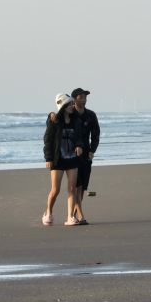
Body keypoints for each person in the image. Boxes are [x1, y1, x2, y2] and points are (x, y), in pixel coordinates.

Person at [50, 88, 100, 225]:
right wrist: (52, 114)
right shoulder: (70, 115)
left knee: (82, 186)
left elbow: (96, 134)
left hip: (86, 155)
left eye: (85, 97)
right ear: (73, 100)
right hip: (71, 155)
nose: (83, 99)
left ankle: (74, 214)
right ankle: (79, 215)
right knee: (75, 186)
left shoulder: (91, 115)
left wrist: (92, 150)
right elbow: (56, 120)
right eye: (80, 97)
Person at [42, 93, 84, 226]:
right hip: (57, 159)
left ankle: (70, 217)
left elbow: (79, 137)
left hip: (72, 159)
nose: (73, 105)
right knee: (56, 189)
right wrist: (48, 158)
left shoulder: (75, 120)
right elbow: (47, 141)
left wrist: (79, 146)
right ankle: (48, 212)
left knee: (72, 188)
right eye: (70, 104)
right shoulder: (54, 120)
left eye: (72, 103)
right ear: (63, 105)